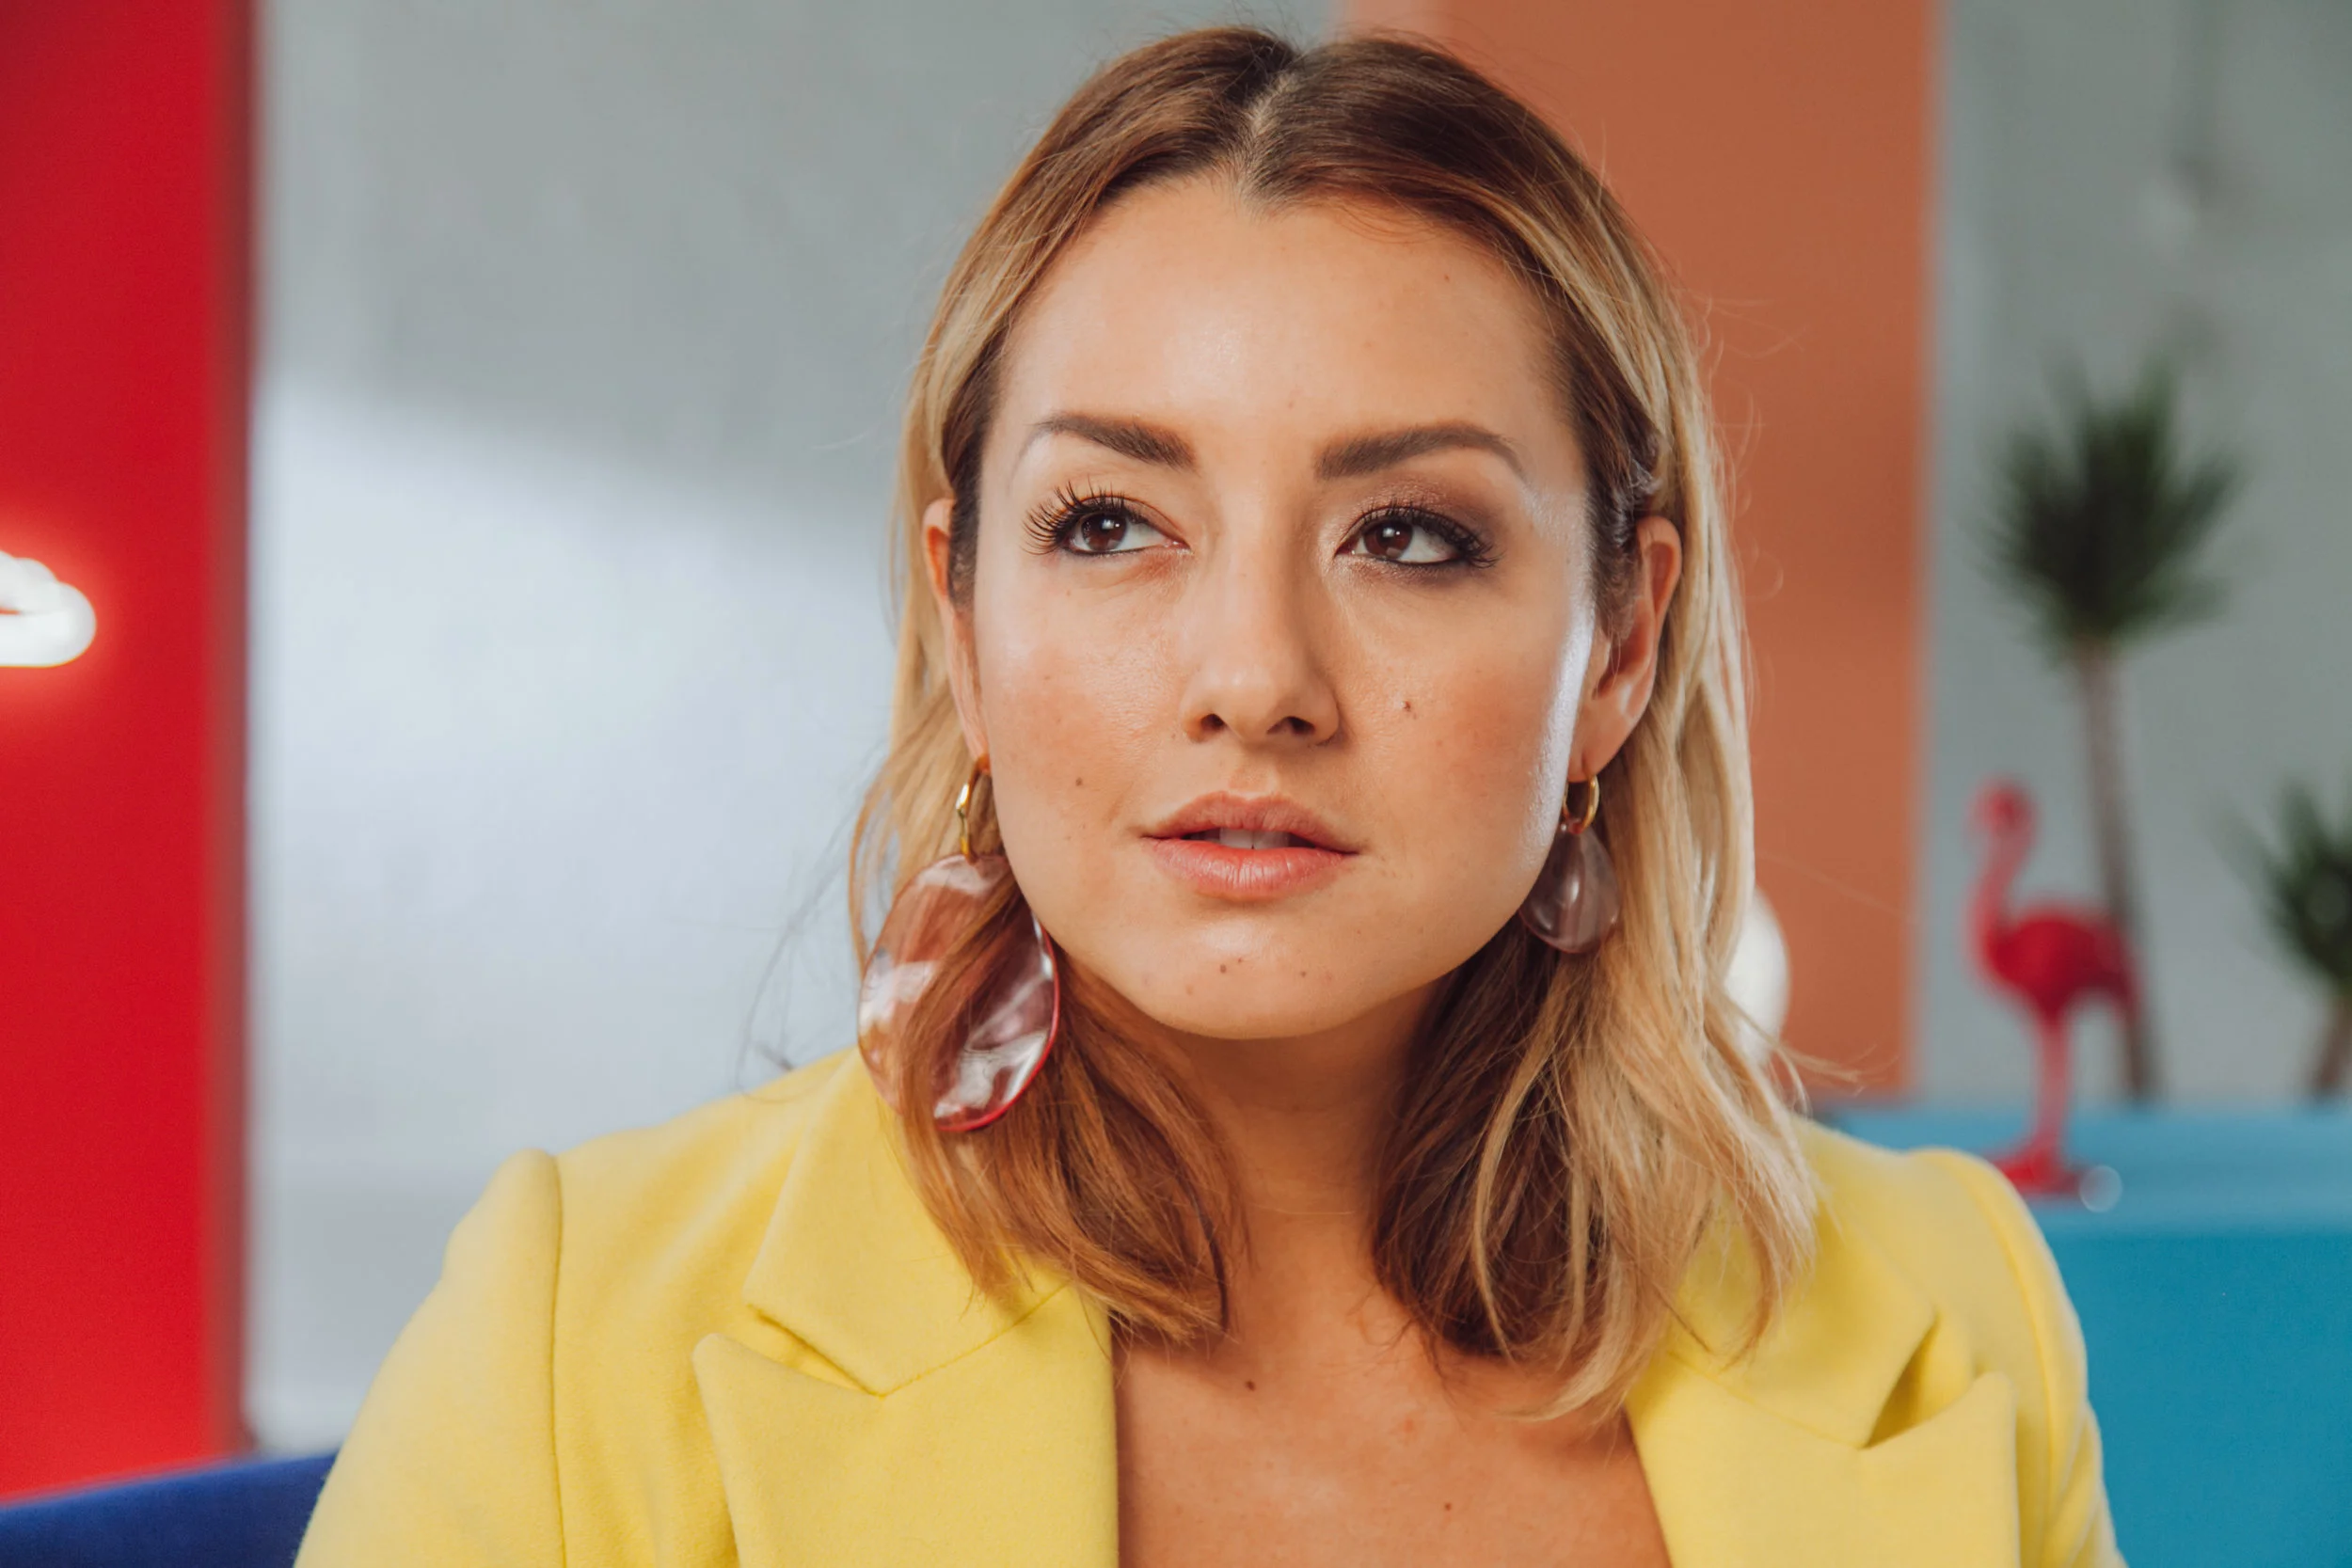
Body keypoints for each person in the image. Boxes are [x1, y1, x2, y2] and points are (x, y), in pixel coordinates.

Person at [296, 26, 2121, 1567]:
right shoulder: (571, 1345)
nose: (1252, 675)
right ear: (961, 616)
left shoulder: (1951, 1314)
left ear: (1620, 646)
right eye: (1110, 523)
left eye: (1409, 534)